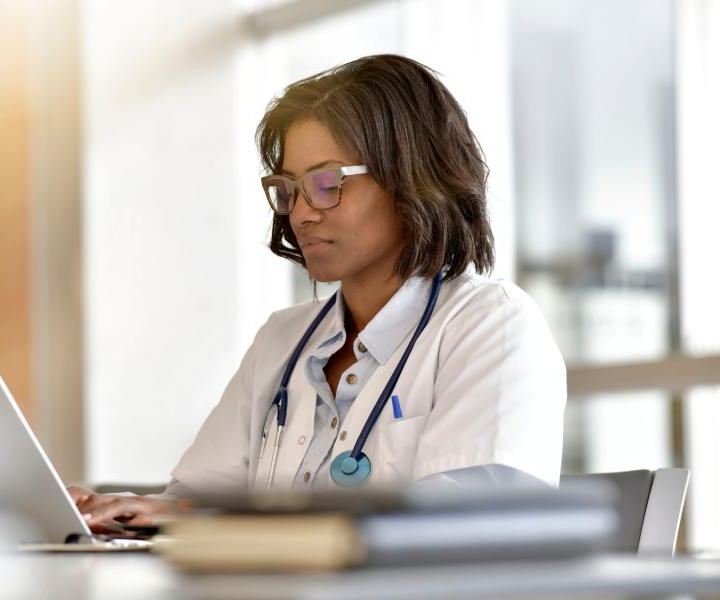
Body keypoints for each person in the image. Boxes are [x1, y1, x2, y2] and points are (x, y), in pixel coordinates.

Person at [69, 54, 565, 529]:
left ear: (411, 177)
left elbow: (462, 529)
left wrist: (216, 522)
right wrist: (128, 512)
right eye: (288, 188)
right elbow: (195, 500)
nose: (300, 213)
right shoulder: (281, 340)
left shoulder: (491, 326)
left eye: (328, 183)